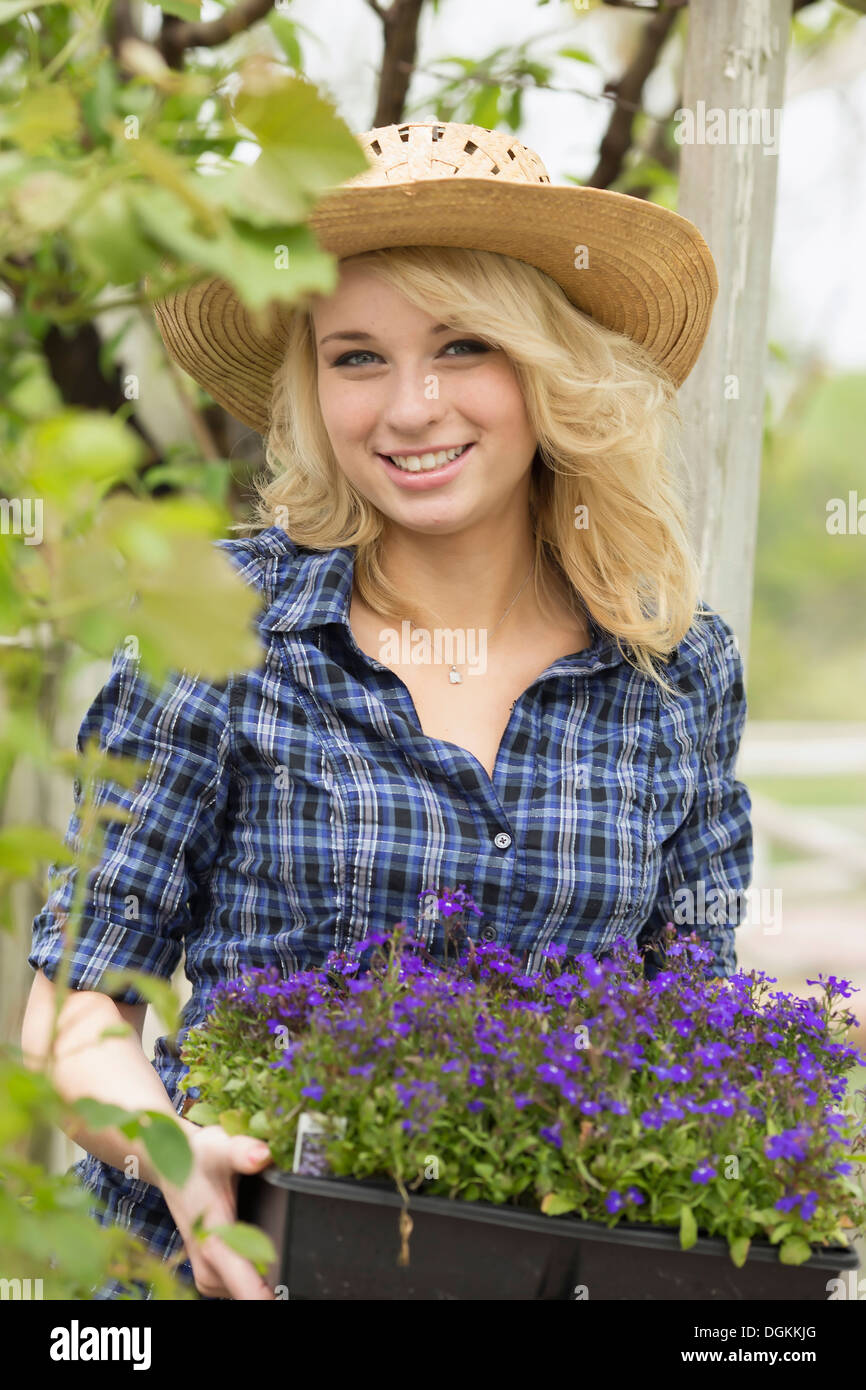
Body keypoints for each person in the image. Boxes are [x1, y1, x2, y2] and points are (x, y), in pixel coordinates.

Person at [21, 119, 752, 1300]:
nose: (408, 408)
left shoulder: (671, 663)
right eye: (355, 355)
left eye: (461, 345)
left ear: (545, 365)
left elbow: (689, 1024)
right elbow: (73, 1004)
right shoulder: (218, 627)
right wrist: (177, 1154)